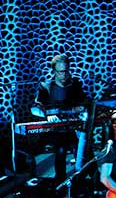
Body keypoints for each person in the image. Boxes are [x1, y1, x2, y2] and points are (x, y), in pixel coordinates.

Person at [31, 54, 90, 182]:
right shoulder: (46, 86)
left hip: (75, 127)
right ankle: (60, 182)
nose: (64, 75)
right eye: (61, 72)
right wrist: (48, 114)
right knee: (61, 150)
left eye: (66, 71)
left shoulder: (75, 84)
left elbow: (83, 103)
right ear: (54, 71)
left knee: (84, 150)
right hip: (56, 130)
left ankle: (82, 182)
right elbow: (36, 107)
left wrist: (81, 108)